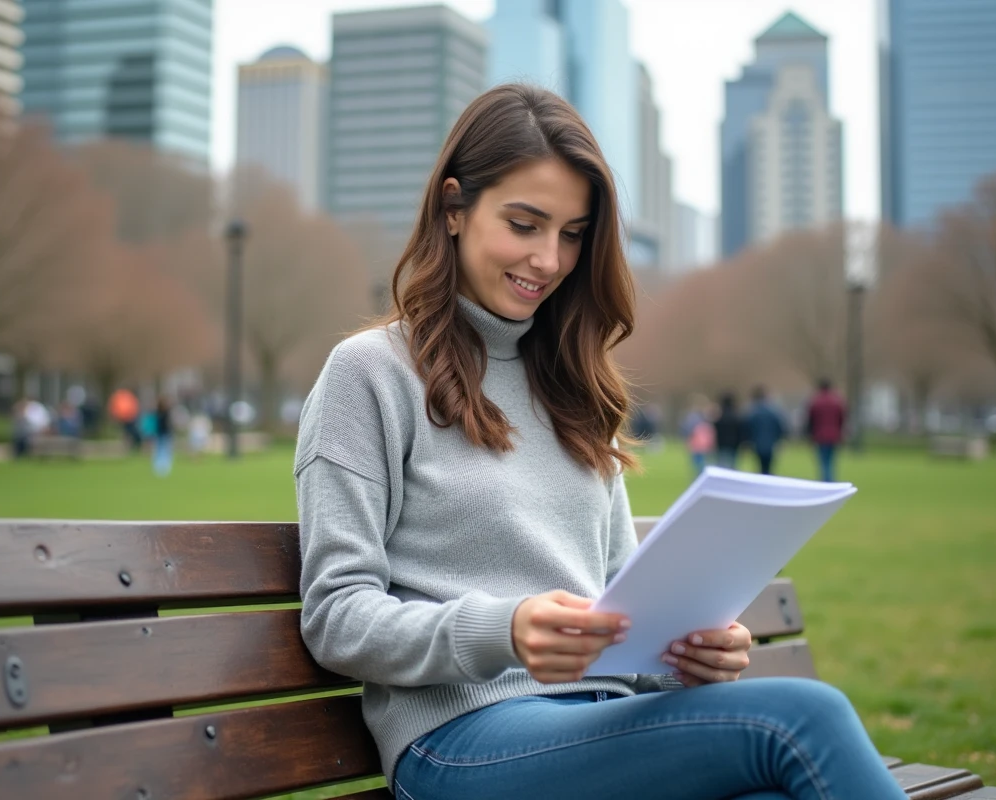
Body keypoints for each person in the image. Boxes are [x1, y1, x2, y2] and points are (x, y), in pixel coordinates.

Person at [294, 84, 903, 800]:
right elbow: (335, 615)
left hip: (598, 726)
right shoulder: (370, 374)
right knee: (806, 717)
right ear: (454, 209)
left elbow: (623, 618)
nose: (549, 260)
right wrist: (504, 629)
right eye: (524, 224)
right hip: (461, 745)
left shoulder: (577, 388)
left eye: (573, 234)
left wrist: (687, 656)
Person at [806, 378, 847, 482]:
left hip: (820, 435)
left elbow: (811, 419)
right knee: (831, 461)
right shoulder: (837, 401)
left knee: (823, 461)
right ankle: (829, 481)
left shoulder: (816, 401)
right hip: (834, 435)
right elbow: (842, 418)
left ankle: (826, 481)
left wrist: (810, 433)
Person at [746, 385, 787, 475]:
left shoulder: (753, 412)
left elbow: (748, 428)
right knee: (769, 466)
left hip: (757, 443)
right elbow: (780, 427)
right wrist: (779, 439)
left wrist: (749, 440)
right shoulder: (773, 412)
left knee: (760, 465)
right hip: (770, 443)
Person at [680, 396, 716, 476]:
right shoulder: (703, 419)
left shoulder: (700, 418)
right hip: (699, 445)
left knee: (699, 463)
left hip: (699, 445)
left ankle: (699, 477)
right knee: (699, 463)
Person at [713, 392, 745, 470]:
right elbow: (741, 432)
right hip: (734, 446)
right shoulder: (736, 416)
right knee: (732, 468)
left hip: (721, 446)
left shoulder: (719, 417)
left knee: (721, 468)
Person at [151, 395, 174, 477]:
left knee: (161, 451)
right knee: (162, 451)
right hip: (162, 434)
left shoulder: (161, 413)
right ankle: (162, 468)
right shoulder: (162, 413)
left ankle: (162, 468)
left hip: (162, 434)